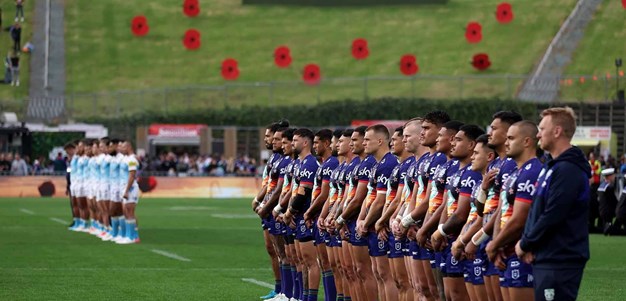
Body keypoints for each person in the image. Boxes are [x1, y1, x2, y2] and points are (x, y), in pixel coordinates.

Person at [516, 106, 590, 301]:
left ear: (557, 131)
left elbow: (554, 214)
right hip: (546, 255)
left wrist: (526, 243)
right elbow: (536, 209)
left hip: (561, 258)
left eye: (542, 129)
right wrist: (531, 243)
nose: (538, 135)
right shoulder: (551, 166)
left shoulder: (568, 170)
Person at [485, 121, 542, 301]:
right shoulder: (515, 173)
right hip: (506, 251)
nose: (506, 142)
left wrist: (494, 245)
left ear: (527, 142)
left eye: (511, 138)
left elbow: (520, 219)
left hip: (522, 253)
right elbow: (501, 211)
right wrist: (497, 243)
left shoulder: (532, 171)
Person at [117, 140, 141, 244]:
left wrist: (126, 190)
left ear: (128, 147)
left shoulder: (132, 159)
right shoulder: (127, 159)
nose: (120, 149)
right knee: (126, 212)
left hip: (130, 189)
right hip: (125, 188)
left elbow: (132, 176)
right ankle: (129, 235)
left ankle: (132, 236)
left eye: (122, 147)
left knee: (130, 212)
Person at [598, 168, 618, 235]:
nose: (614, 177)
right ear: (609, 176)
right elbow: (613, 201)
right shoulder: (609, 187)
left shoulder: (601, 186)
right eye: (613, 175)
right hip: (608, 212)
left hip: (602, 211)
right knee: (609, 229)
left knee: (604, 227)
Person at [588, 151, 602, 232]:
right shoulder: (588, 163)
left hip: (596, 185)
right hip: (591, 185)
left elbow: (598, 171)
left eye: (592, 156)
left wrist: (593, 169)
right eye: (590, 156)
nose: (591, 158)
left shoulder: (597, 163)